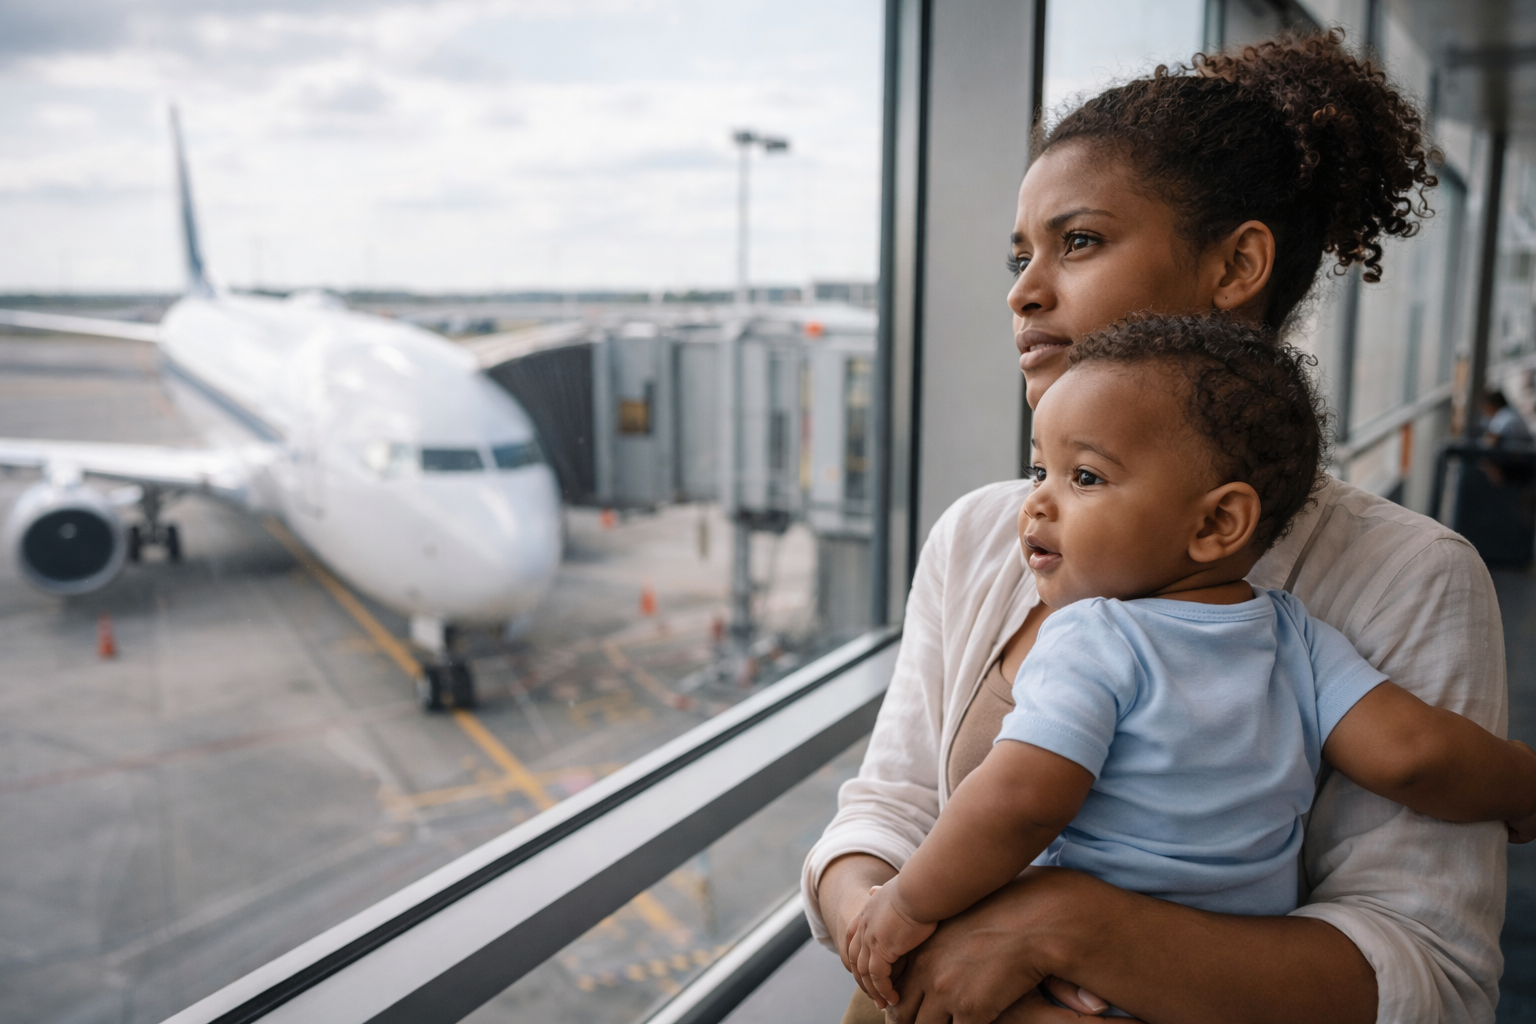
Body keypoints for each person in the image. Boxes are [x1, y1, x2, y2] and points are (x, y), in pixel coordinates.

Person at [805, 30, 1511, 1024]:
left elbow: (1430, 975)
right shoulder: (980, 531)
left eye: (1078, 241)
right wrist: (885, 939)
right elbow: (885, 813)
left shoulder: (1408, 574)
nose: (1023, 291)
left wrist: (1065, 925)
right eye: (1020, 255)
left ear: (1238, 265)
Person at [838, 314, 1536, 1018]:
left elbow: (1020, 801)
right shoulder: (1296, 635)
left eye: (1084, 476)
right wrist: (1518, 785)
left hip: (1073, 990)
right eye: (1037, 469)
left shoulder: (1091, 637)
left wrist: (904, 901)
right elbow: (1413, 755)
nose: (1037, 502)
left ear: (1216, 524)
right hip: (1209, 989)